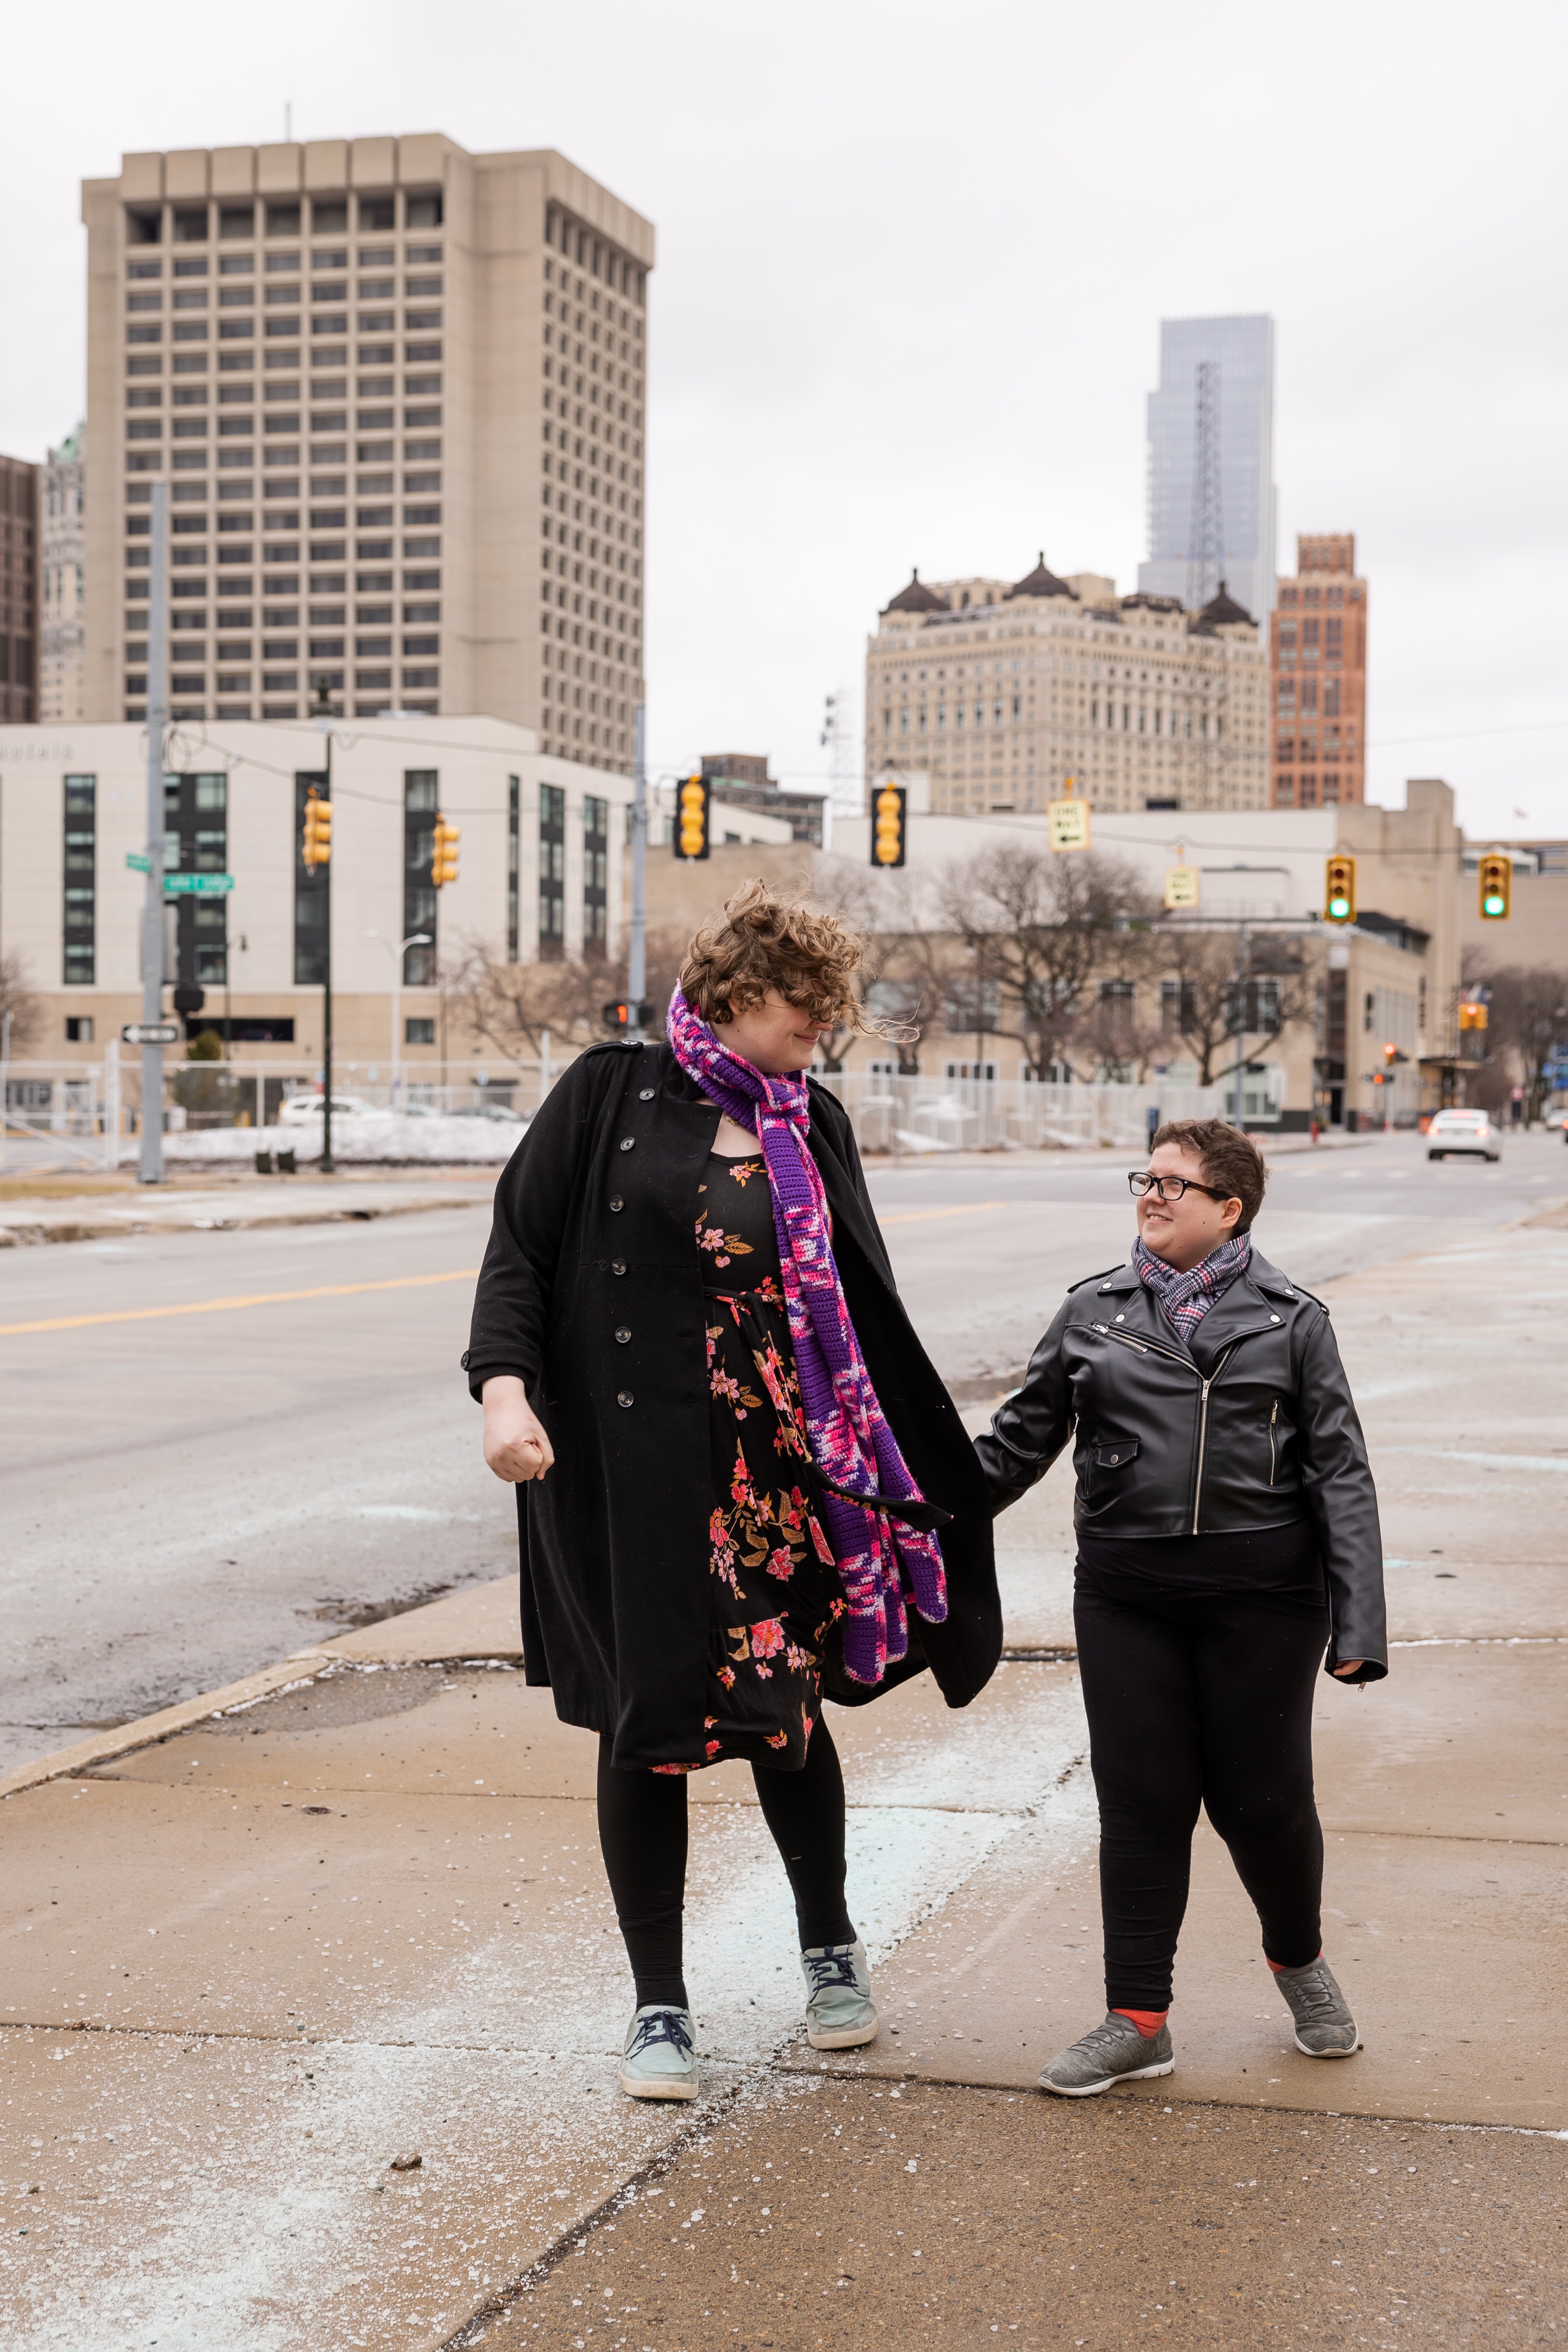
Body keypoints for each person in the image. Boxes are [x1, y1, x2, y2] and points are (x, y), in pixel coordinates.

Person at [466, 882, 1000, 2101]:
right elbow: (520, 1253)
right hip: (629, 1472)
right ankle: (659, 2004)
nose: (829, 1023)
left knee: (785, 1706)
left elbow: (861, 1304)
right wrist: (504, 1392)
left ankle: (829, 1951)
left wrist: (905, 1468)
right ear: (742, 993)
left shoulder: (811, 1121)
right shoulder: (607, 1091)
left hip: (782, 1474)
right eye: (812, 1003)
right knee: (646, 1722)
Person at [974, 1119, 1385, 2098]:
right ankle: (1137, 2020)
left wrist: (1357, 1621)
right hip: (1127, 1595)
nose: (1149, 1196)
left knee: (1264, 1804)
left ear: (1228, 1209)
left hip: (1268, 1598)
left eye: (1172, 1184)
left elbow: (1340, 1472)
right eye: (1143, 1180)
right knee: (1142, 1802)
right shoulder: (1090, 1313)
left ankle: (1297, 1960)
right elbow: (1011, 1448)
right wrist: (905, 1515)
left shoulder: (1292, 1318)